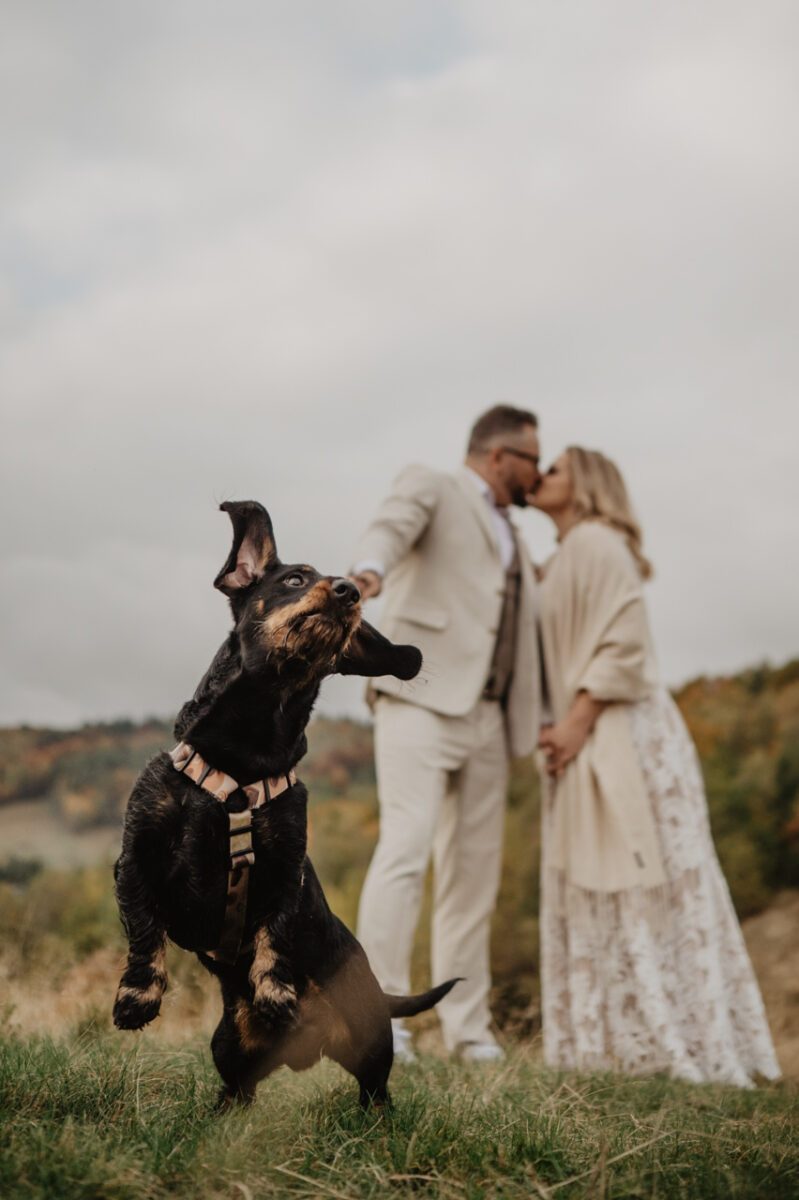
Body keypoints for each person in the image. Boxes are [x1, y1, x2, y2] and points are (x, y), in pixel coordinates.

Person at [528, 446, 780, 1086]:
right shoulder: (559, 559)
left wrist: (577, 722)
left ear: (585, 484)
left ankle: (672, 1038)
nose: (540, 476)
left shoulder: (600, 542)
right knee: (594, 882)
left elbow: (627, 643)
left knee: (645, 881)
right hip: (578, 733)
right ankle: (611, 1043)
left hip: (617, 730)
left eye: (554, 468)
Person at [351, 405, 543, 1062]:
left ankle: (467, 1029)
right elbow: (390, 527)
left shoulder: (514, 531)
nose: (537, 474)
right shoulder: (433, 484)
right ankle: (383, 1019)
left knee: (473, 877)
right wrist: (369, 570)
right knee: (404, 852)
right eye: (531, 460)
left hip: (489, 717)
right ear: (498, 455)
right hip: (421, 697)